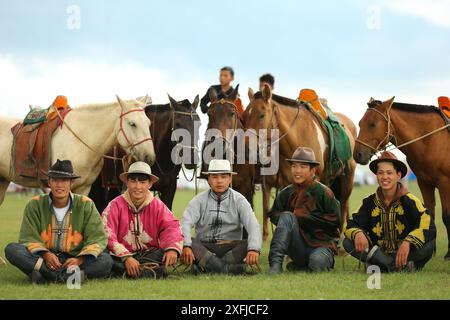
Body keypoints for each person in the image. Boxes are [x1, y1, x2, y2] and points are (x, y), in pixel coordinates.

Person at [4, 159, 112, 284]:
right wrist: (46, 255)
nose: (59, 185)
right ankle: (65, 277)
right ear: (49, 182)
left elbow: (97, 238)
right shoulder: (35, 204)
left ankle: (44, 276)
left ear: (71, 183)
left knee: (106, 260)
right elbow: (28, 237)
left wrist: (79, 260)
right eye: (55, 180)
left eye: (64, 180)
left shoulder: (86, 204)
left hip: (74, 258)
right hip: (43, 258)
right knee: (12, 249)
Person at [343, 151, 436, 272]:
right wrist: (358, 233)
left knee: (429, 245)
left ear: (398, 175)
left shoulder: (410, 201)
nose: (384, 177)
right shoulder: (368, 202)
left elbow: (428, 224)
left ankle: (383, 266)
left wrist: (408, 241)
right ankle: (396, 267)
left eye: (389, 173)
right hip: (379, 253)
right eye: (380, 173)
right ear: (376, 176)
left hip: (405, 253)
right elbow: (350, 223)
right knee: (347, 242)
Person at [102, 161, 183, 279]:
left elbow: (172, 227)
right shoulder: (115, 205)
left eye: (142, 182)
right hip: (120, 256)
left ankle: (125, 273)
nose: (138, 186)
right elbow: (106, 233)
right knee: (105, 259)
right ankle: (150, 272)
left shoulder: (158, 206)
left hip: (148, 254)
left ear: (150, 184)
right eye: (133, 181)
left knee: (163, 253)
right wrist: (126, 257)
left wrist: (172, 248)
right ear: (127, 182)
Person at [181, 159, 262, 275]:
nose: (219, 181)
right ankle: (230, 269)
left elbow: (253, 225)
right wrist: (187, 245)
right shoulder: (198, 200)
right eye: (214, 177)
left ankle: (205, 268)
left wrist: (253, 249)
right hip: (205, 246)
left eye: (223, 177)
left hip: (231, 247)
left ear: (230, 179)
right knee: (192, 243)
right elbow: (185, 222)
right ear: (208, 179)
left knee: (247, 244)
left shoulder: (239, 200)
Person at [268, 147, 341, 274]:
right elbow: (274, 214)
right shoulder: (286, 192)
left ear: (312, 170)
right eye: (294, 166)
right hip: (297, 246)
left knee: (317, 262)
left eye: (303, 167)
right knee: (287, 216)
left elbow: (335, 220)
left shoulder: (324, 192)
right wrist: (291, 221)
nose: (297, 171)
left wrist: (304, 218)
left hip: (321, 245)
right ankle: (275, 265)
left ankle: (300, 266)